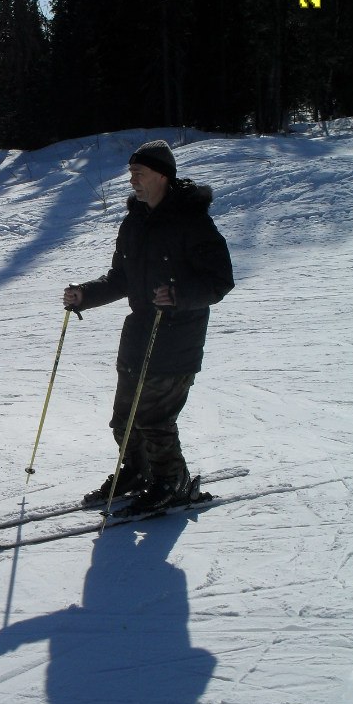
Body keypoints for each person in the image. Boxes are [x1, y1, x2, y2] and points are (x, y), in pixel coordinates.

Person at [63, 139, 234, 512]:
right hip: (139, 334)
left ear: (161, 175)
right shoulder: (135, 221)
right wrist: (85, 295)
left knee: (154, 419)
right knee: (124, 420)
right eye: (131, 175)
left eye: (138, 174)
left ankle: (172, 481)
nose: (133, 182)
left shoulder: (193, 222)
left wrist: (177, 294)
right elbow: (121, 277)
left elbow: (220, 282)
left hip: (177, 337)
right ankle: (139, 471)